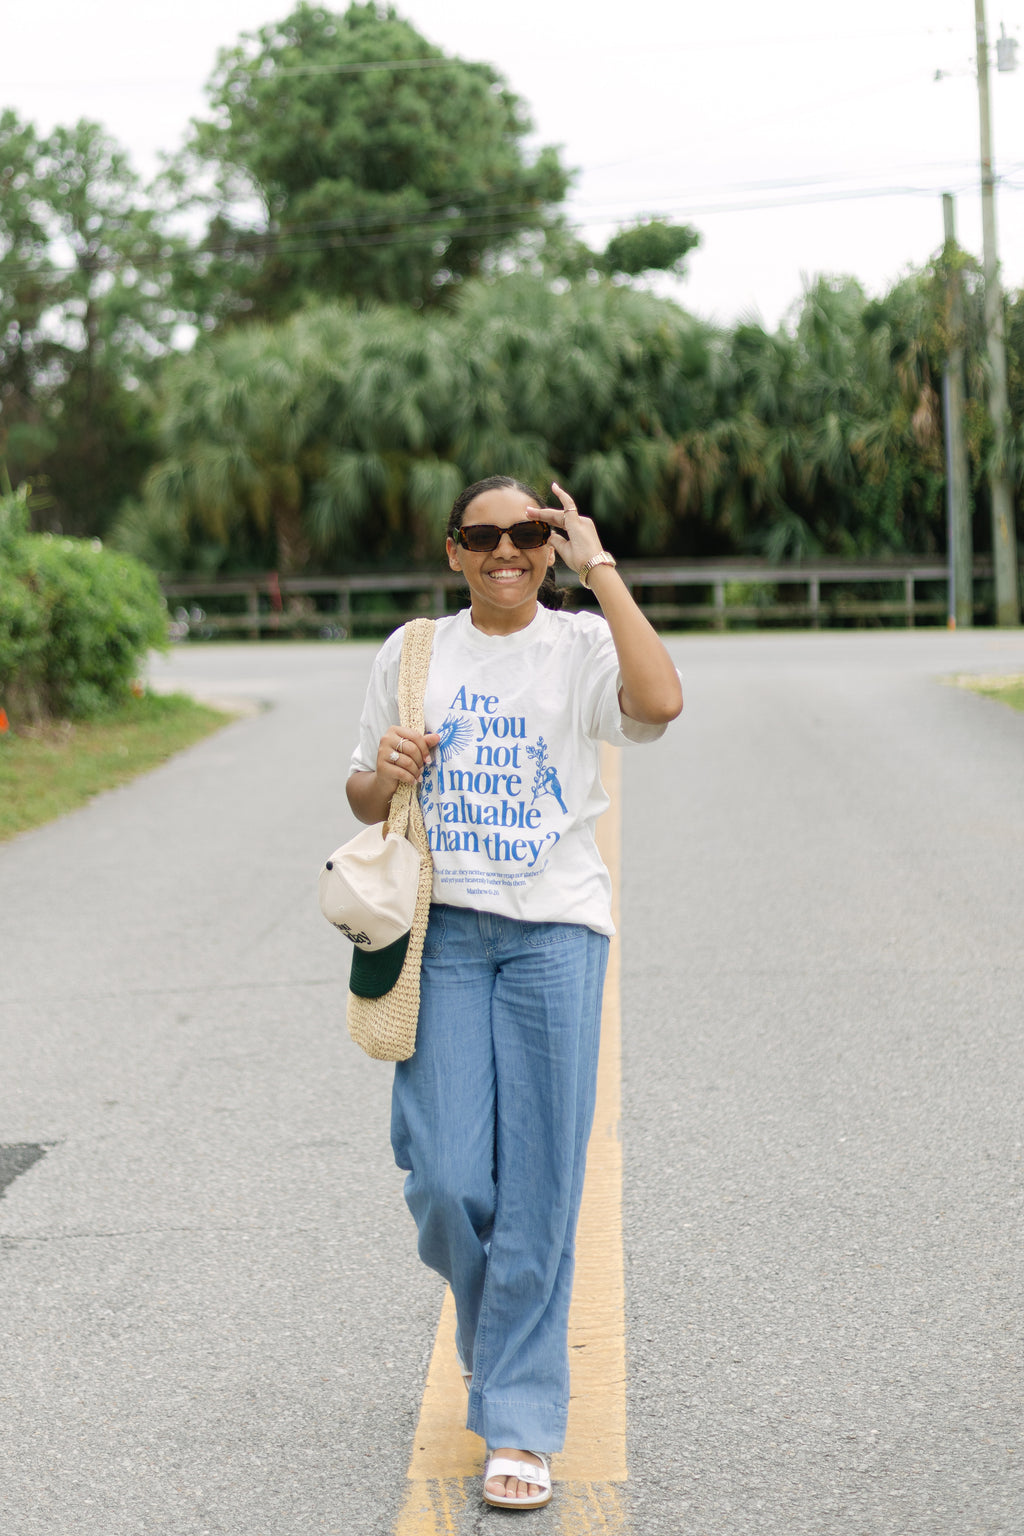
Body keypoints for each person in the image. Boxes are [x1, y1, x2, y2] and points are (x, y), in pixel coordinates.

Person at [346, 476, 682, 1510]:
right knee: (448, 1179)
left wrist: (599, 565)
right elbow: (360, 792)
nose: (507, 550)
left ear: (549, 544)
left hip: (555, 935)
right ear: (453, 550)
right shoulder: (414, 652)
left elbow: (660, 703)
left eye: (528, 532)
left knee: (539, 1188)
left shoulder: (582, 643)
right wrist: (388, 771)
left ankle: (522, 1426)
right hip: (441, 932)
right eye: (484, 535)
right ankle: (504, 1349)